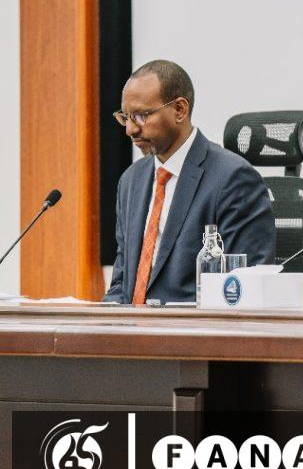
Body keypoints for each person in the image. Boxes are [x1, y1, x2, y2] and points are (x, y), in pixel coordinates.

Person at [103, 60, 275, 304]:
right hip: (132, 325)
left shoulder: (234, 179)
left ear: (179, 110)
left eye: (141, 116)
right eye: (125, 117)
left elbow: (242, 291)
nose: (130, 129)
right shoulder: (131, 181)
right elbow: (122, 283)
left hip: (193, 325)